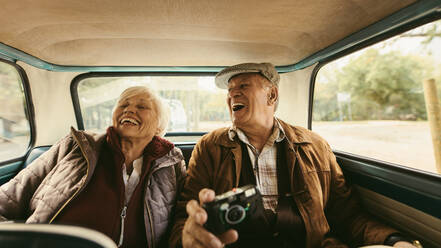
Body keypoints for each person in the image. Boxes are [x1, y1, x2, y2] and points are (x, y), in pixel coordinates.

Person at [169, 63, 420, 248]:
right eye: (230, 89)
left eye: (243, 86)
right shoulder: (210, 147)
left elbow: (348, 216)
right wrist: (188, 238)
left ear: (272, 95)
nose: (232, 94)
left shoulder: (315, 145)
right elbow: (184, 217)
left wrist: (394, 240)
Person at [0, 86, 186, 248]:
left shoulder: (171, 165)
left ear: (159, 126)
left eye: (142, 106)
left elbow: (182, 221)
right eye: (123, 105)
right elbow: (8, 199)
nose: (128, 110)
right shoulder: (75, 146)